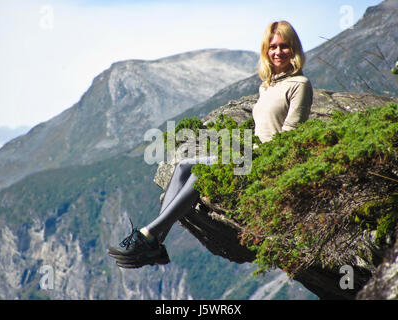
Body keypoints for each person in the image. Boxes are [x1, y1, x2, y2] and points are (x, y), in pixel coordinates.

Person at [107, 20, 313, 268]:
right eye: (272, 47)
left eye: (284, 46)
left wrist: (254, 158)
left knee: (202, 172)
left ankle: (148, 235)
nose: (278, 52)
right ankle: (155, 241)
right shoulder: (268, 86)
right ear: (266, 51)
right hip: (252, 156)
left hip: (267, 164)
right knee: (184, 165)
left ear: (294, 49)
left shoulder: (300, 85)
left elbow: (290, 136)